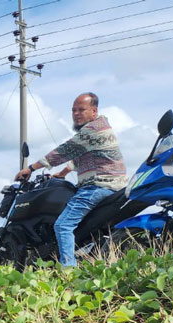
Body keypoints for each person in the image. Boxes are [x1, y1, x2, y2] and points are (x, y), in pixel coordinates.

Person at [15, 92, 128, 266]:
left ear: (94, 111)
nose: (76, 113)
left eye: (81, 110)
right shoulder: (100, 128)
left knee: (63, 225)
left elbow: (65, 150)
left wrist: (31, 168)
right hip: (111, 186)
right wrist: (62, 174)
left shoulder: (93, 129)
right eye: (73, 110)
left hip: (98, 186)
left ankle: (68, 271)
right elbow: (82, 156)